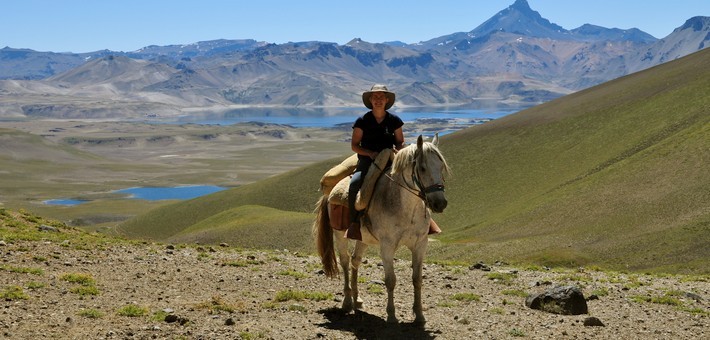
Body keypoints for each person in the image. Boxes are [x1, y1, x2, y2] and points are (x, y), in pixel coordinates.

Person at [346, 84, 405, 240]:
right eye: (375, 97)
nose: (378, 100)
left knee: (409, 179)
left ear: (386, 100)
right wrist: (369, 153)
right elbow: (354, 145)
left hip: (389, 159)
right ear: (370, 100)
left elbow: (400, 141)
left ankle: (423, 221)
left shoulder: (394, 120)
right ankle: (354, 223)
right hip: (367, 161)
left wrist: (397, 150)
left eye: (381, 97)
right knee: (354, 184)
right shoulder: (362, 121)